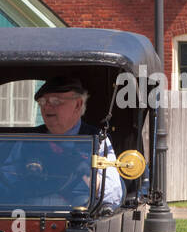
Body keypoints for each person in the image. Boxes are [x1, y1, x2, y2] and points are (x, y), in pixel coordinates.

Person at [24, 76, 124, 210]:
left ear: (78, 104)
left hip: (77, 221)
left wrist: (85, 171)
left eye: (55, 101)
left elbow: (113, 196)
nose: (46, 106)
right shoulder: (28, 140)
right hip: (29, 215)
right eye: (42, 102)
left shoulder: (97, 139)